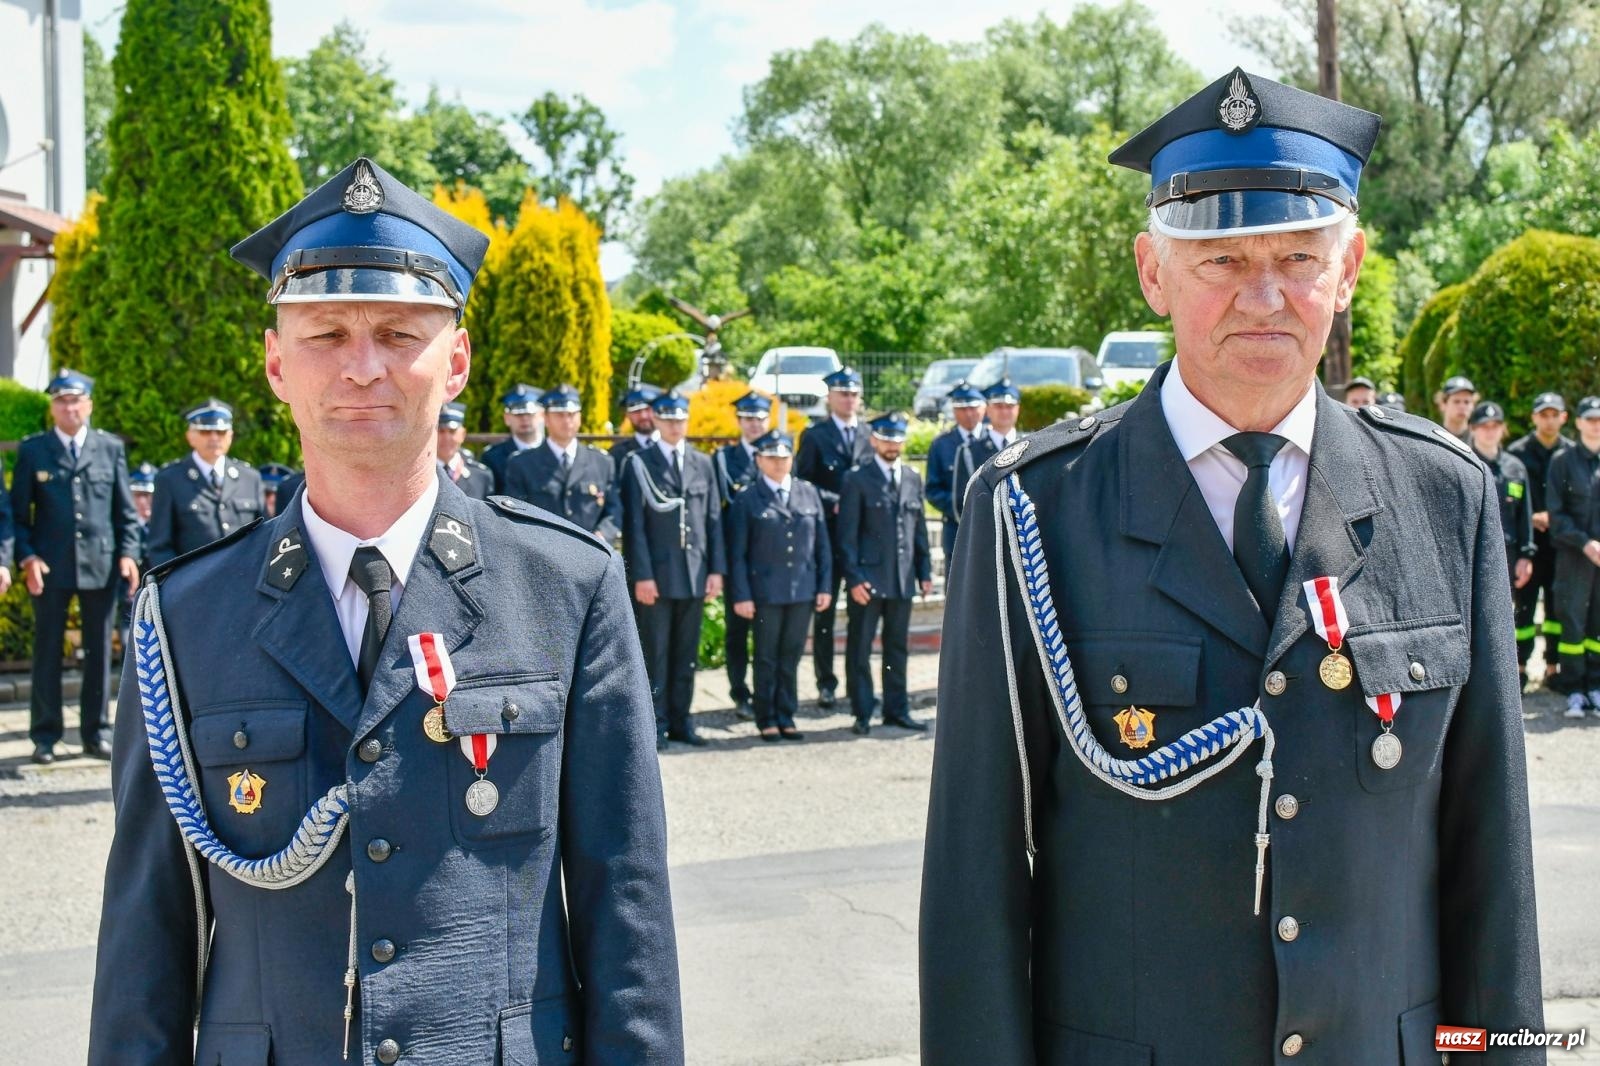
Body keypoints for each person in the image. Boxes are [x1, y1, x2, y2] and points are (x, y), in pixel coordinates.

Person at [922, 69, 1543, 1065]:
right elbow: (974, 879)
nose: (1263, 297)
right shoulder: (1036, 509)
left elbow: (1491, 874)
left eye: (1298, 256)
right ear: (1152, 273)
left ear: (1348, 270)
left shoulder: (1444, 498)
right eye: (1219, 259)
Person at [89, 157, 683, 1065]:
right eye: (326, 333)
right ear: (276, 363)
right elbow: (146, 937)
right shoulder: (185, 617)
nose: (362, 367)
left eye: (400, 333)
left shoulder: (566, 586)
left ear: (458, 362)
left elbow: (626, 909)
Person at [10, 369, 139, 765]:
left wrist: (128, 553)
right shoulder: (34, 451)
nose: (70, 408)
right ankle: (45, 736)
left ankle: (95, 733)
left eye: (76, 400)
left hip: (100, 564)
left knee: (99, 653)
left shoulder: (108, 448)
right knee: (47, 650)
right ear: (52, 407)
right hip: (50, 567)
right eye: (62, 401)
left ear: (89, 405)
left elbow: (125, 512)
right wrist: (27, 557)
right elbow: (18, 517)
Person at [620, 389, 725, 751]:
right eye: (668, 419)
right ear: (656, 420)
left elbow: (713, 520)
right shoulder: (640, 463)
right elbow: (635, 526)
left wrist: (716, 570)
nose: (675, 425)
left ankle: (683, 721)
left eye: (680, 419)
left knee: (686, 654)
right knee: (656, 653)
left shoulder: (703, 463)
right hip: (658, 576)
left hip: (694, 573)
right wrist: (642, 575)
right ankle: (656, 724)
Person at [727, 430, 832, 742]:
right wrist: (741, 594)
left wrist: (824, 586)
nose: (778, 463)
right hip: (765, 592)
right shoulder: (747, 498)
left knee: (791, 656)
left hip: (802, 589)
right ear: (759, 460)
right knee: (766, 656)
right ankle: (767, 717)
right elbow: (737, 554)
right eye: (771, 457)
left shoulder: (808, 493)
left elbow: (822, 547)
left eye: (784, 457)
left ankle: (787, 714)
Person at [837, 412, 931, 736]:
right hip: (867, 580)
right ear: (874, 440)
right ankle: (862, 711)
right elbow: (846, 535)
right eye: (886, 439)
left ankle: (896, 710)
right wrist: (853, 578)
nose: (892, 445)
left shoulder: (912, 477)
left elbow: (918, 528)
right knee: (860, 648)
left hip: (901, 578)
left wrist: (924, 571)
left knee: (897, 648)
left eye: (897, 439)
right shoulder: (857, 479)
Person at [793, 367, 873, 707]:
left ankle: (858, 686)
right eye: (843, 394)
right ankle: (826, 682)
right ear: (830, 397)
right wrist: (834, 501)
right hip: (827, 533)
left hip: (861, 539)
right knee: (825, 614)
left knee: (860, 615)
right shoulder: (815, 436)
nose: (849, 399)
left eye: (854, 394)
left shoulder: (869, 433)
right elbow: (802, 482)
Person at [147, 399, 266, 566]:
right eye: (205, 432)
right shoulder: (170, 480)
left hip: (245, 574)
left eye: (221, 432)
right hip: (193, 578)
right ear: (190, 436)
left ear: (230, 435)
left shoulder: (250, 478)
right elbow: (160, 547)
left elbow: (265, 535)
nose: (214, 438)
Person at [713, 391, 772, 720]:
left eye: (760, 419)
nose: (754, 425)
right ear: (739, 422)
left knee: (768, 631)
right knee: (737, 631)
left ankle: (767, 694)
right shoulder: (725, 459)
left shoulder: (777, 452)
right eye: (748, 419)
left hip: (769, 557)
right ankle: (740, 693)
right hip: (737, 554)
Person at [502, 384, 620, 542]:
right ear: (545, 418)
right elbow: (513, 513)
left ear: (580, 417)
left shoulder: (602, 462)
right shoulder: (522, 463)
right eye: (559, 415)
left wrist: (600, 536)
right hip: (543, 549)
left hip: (590, 550)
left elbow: (614, 510)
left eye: (571, 414)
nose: (567, 421)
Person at [1508, 392, 1572, 683]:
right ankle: (1520, 666)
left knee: (1558, 607)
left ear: (1563, 418)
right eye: (1543, 415)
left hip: (1561, 543)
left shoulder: (1570, 453)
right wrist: (1531, 517)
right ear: (1534, 417)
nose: (1549, 421)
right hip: (1529, 542)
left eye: (1554, 415)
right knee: (1525, 606)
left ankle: (1553, 665)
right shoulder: (1518, 453)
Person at [1545, 395, 1600, 720]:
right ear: (1578, 422)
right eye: (1590, 419)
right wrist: (1586, 543)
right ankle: (1574, 690)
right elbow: (1556, 514)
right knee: (1573, 624)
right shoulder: (1562, 462)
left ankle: (1596, 685)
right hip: (1574, 557)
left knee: (1598, 625)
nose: (1596, 425)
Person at [1469, 401, 1535, 606]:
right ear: (1472, 429)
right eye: (1484, 426)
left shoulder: (1515, 467)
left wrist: (1526, 555)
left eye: (1495, 426)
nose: (1490, 432)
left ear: (1503, 428)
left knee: (1505, 610)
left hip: (1508, 553)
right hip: (1473, 553)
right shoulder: (1464, 463)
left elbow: (1524, 514)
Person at [923, 381, 986, 567]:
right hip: (955, 528)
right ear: (954, 410)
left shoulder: (992, 441)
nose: (968, 413)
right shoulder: (941, 445)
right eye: (962, 409)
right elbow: (932, 490)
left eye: (973, 408)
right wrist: (960, 505)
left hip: (989, 527)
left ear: (983, 408)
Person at [950, 378, 1021, 521]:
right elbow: (960, 501)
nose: (1004, 411)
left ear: (1018, 409)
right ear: (987, 410)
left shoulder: (1030, 445)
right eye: (998, 406)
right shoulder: (968, 451)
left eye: (1009, 406)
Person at [479, 383, 543, 493]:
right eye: (518, 414)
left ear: (541, 415)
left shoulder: (555, 453)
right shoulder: (492, 457)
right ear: (507, 418)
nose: (524, 419)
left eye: (529, 414)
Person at [436, 402, 493, 499]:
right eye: (441, 431)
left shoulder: (481, 476)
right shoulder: (419, 474)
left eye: (452, 431)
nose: (447, 438)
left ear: (463, 434)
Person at [609, 384, 662, 472]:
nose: (643, 416)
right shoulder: (618, 455)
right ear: (627, 414)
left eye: (648, 409)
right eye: (636, 411)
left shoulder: (675, 450)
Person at [1435, 375, 1477, 442]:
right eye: (1456, 401)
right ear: (1443, 404)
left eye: (1466, 402)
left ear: (1473, 406)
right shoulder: (1434, 437)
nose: (1462, 406)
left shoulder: (1479, 441)